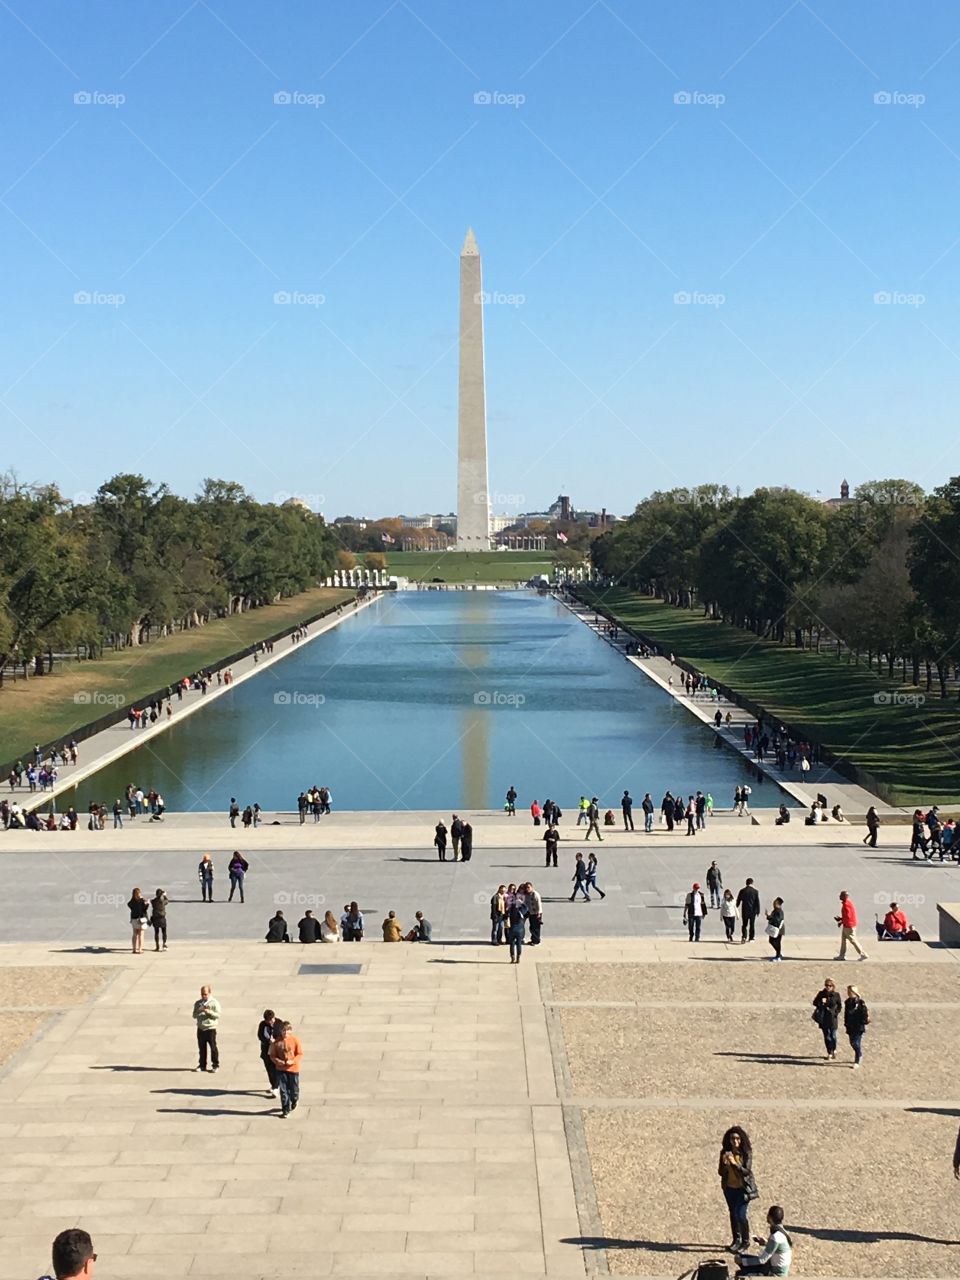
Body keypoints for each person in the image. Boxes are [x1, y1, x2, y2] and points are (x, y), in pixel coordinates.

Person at [718, 1125, 755, 1253]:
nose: (735, 1141)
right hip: (730, 1188)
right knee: (733, 1214)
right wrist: (724, 1164)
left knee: (741, 1214)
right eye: (732, 1139)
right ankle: (736, 1240)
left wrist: (735, 1164)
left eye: (738, 1139)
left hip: (743, 1189)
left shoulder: (746, 1153)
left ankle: (745, 1241)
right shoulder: (725, 1153)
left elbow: (746, 1171)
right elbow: (721, 1172)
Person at [736, 1204, 793, 1276]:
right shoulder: (783, 1232)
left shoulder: (776, 1236)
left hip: (775, 1274)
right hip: (773, 1267)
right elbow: (778, 1249)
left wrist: (742, 1261)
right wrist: (766, 1243)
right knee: (742, 1261)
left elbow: (762, 1260)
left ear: (770, 1218)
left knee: (740, 1273)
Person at [269, 1019, 304, 1118]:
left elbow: (300, 1054)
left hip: (293, 1069)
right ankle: (285, 1109)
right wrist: (278, 1062)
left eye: (287, 1030)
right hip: (281, 1070)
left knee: (294, 1089)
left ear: (290, 1031)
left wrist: (293, 1061)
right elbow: (272, 1055)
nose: (285, 1033)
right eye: (283, 1030)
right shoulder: (277, 1042)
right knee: (283, 1091)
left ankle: (294, 1100)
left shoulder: (295, 1040)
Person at [192, 984, 220, 1072]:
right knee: (202, 1048)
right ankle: (202, 1065)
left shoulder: (214, 1003)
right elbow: (194, 1015)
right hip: (201, 1028)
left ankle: (215, 1065)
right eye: (202, 994)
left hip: (210, 1028)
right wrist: (199, 1010)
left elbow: (218, 1015)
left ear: (209, 993)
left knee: (213, 1047)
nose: (204, 996)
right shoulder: (198, 1003)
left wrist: (209, 1012)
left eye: (205, 994)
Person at [812, 977, 842, 1060]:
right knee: (827, 1036)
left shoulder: (836, 995)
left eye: (830, 985)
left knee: (833, 1035)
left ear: (833, 986)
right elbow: (814, 1002)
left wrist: (835, 1013)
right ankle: (829, 1052)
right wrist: (821, 1002)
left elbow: (839, 1006)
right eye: (826, 985)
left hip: (832, 1019)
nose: (828, 987)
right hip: (824, 1018)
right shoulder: (821, 994)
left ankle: (834, 1049)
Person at [834, 890, 867, 961]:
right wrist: (841, 919)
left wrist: (841, 921)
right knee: (844, 940)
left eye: (841, 895)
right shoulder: (848, 903)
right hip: (848, 924)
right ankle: (842, 955)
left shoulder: (846, 905)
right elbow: (847, 916)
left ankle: (863, 954)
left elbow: (848, 917)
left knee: (853, 940)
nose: (839, 896)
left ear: (845, 896)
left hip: (849, 926)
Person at [257, 1008, 282, 1097]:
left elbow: (282, 1035)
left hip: (276, 1050)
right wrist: (268, 1040)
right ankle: (273, 1085)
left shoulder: (279, 1023)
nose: (271, 1022)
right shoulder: (262, 1025)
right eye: (268, 1021)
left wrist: (275, 1040)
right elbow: (260, 1036)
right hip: (266, 1050)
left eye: (272, 1020)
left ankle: (276, 1086)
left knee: (276, 1068)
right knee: (269, 1068)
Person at [844, 984, 869, 1068]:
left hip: (858, 1026)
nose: (849, 993)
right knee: (852, 1042)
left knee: (856, 1042)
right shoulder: (847, 1002)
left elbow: (864, 1013)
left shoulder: (860, 1002)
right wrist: (846, 1023)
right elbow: (846, 1014)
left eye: (850, 991)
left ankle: (857, 1059)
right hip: (851, 1026)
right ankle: (859, 1054)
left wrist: (865, 1021)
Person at [737, 878, 761, 944]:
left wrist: (736, 906)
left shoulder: (742, 891)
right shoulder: (755, 891)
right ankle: (751, 938)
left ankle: (744, 936)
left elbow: (738, 900)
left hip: (745, 910)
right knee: (752, 925)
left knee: (744, 925)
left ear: (746, 883)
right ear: (752, 883)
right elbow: (757, 902)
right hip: (753, 911)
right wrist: (758, 911)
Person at [507, 892, 528, 964]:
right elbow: (526, 909)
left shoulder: (512, 909)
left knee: (512, 944)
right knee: (519, 943)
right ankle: (518, 957)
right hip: (520, 929)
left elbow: (508, 911)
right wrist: (522, 903)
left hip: (512, 928)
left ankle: (512, 957)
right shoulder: (521, 911)